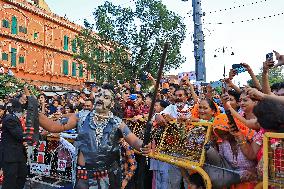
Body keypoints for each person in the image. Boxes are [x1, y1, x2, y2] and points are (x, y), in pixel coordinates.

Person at [38, 84, 151, 189]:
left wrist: (144, 145)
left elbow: (134, 140)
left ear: (111, 104)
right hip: (82, 176)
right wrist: (33, 110)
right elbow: (53, 127)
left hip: (105, 179)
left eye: (106, 97)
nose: (101, 98)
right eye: (99, 95)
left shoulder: (117, 123)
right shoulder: (80, 116)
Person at [1, 97, 28, 189]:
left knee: (22, 175)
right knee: (10, 180)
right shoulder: (10, 119)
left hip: (18, 154)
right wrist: (38, 134)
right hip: (10, 155)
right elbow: (19, 135)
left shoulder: (15, 118)